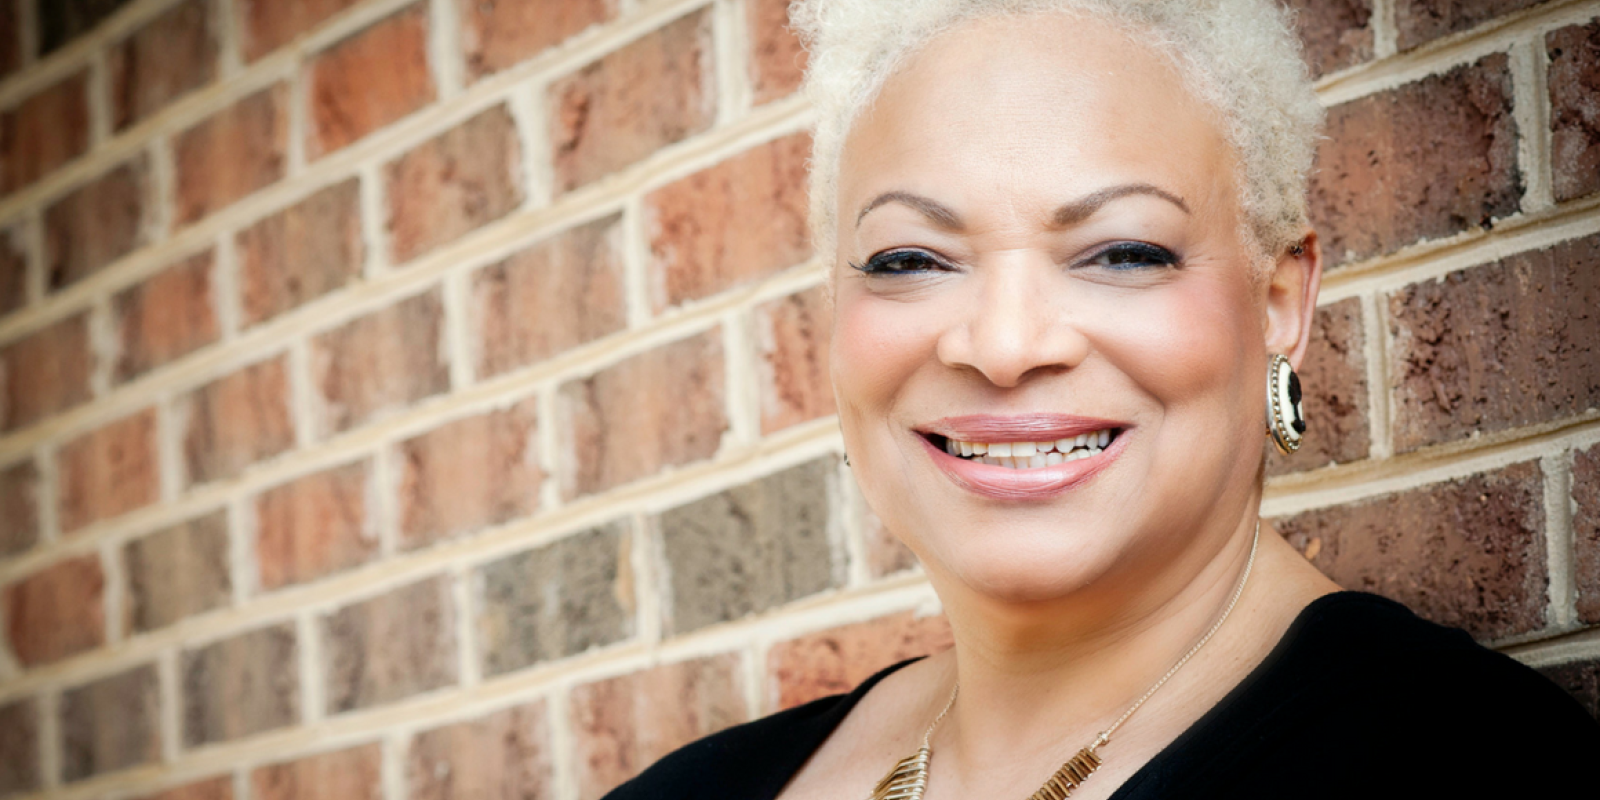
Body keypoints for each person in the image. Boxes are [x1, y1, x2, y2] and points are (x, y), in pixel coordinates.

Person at [603, 1, 1600, 797]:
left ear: (1278, 300)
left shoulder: (1473, 765)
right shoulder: (690, 786)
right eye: (909, 257)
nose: (1002, 343)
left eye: (1121, 251)